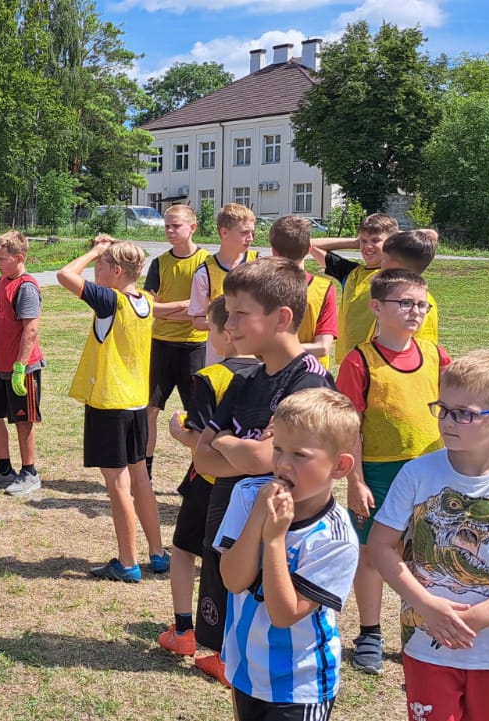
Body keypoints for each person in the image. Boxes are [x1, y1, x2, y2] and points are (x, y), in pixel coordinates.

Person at [368, 351, 489, 721]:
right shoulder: (416, 474)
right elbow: (380, 546)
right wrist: (426, 605)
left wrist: (477, 617)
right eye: (443, 409)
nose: (448, 421)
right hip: (427, 644)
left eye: (465, 413)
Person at [191, 256, 337, 683]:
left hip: (282, 530)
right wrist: (240, 447)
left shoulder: (308, 382)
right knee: (237, 618)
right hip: (231, 518)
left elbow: (262, 460)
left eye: (240, 313)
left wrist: (224, 443)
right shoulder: (246, 378)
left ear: (282, 317)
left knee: (273, 621)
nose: (228, 323)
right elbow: (201, 458)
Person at [217, 388, 360, 721]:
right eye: (277, 449)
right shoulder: (247, 494)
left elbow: (284, 614)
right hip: (246, 669)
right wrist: (257, 518)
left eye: (300, 455)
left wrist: (275, 540)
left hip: (300, 684)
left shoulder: (335, 538)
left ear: (339, 466)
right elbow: (233, 580)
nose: (282, 464)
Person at [336, 269, 450, 674]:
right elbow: (350, 424)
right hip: (380, 473)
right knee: (371, 555)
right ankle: (369, 633)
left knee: (421, 555)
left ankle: (418, 629)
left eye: (422, 304)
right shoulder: (360, 360)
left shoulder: (436, 354)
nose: (415, 311)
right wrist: (356, 481)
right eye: (406, 303)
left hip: (431, 470)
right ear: (377, 308)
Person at [158, 296, 262, 656]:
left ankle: (185, 629)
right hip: (253, 487)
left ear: (226, 333)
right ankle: (232, 644)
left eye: (212, 328)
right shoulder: (270, 374)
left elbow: (201, 438)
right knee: (239, 563)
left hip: (210, 483)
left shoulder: (210, 377)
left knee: (185, 550)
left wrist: (176, 432)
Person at [58, 235, 162, 583]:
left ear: (116, 270)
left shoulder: (111, 301)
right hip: (135, 402)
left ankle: (128, 561)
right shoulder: (145, 300)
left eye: (101, 266)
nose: (96, 271)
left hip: (110, 404)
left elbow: (64, 274)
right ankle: (158, 554)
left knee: (117, 485)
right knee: (140, 480)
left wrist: (92, 251)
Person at [0, 231, 46, 496]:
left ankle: (30, 472)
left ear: (19, 258)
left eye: (2, 259)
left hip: (21, 368)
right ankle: (4, 469)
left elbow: (30, 330)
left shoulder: (25, 287)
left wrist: (20, 366)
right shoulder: (4, 280)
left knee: (23, 420)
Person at [141, 203, 210, 481]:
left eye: (175, 225)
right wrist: (188, 307)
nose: (169, 230)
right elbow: (149, 309)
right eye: (166, 225)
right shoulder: (159, 263)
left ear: (192, 228)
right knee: (149, 410)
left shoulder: (208, 263)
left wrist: (182, 310)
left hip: (195, 346)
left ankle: (201, 473)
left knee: (196, 417)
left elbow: (208, 310)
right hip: (160, 344)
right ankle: (143, 472)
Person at [310, 213, 399, 365]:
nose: (367, 246)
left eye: (375, 240)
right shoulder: (350, 273)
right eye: (364, 241)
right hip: (350, 359)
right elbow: (308, 244)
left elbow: (430, 236)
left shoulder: (395, 274)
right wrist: (354, 242)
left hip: (379, 360)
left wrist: (395, 240)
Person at [191, 203, 261, 367]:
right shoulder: (205, 272)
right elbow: (197, 321)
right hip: (219, 357)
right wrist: (227, 324)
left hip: (254, 355)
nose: (250, 238)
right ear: (224, 233)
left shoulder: (258, 264)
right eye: (244, 233)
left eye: (252, 232)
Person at [267, 215, 339, 367]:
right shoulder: (324, 288)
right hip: (311, 374)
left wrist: (275, 349)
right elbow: (323, 347)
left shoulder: (261, 285)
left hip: (271, 369)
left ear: (273, 251)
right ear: (309, 249)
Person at [378, 229, 441, 345]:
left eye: (384, 259)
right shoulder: (418, 296)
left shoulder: (408, 300)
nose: (380, 264)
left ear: (396, 265)